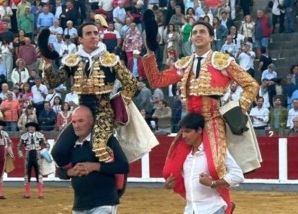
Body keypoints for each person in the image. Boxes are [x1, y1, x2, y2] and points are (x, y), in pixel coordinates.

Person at [143, 20, 259, 213]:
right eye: (194, 32)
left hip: (213, 120)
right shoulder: (185, 63)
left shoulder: (222, 61)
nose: (197, 35)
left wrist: (238, 110)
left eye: (202, 32)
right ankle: (194, 202)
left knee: (215, 168)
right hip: (190, 121)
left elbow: (251, 85)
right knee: (169, 170)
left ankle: (226, 206)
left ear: (211, 37)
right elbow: (157, 81)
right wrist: (149, 53)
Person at [41, 22, 137, 165]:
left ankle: (114, 182)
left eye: (95, 33)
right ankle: (74, 173)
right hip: (81, 113)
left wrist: (121, 104)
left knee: (99, 147)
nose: (93, 36)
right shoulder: (72, 60)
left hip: (104, 111)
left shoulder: (110, 59)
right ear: (80, 39)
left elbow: (131, 82)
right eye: (88, 33)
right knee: (58, 151)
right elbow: (52, 83)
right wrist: (47, 63)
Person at [163, 113, 244, 214]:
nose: (183, 136)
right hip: (190, 209)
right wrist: (169, 185)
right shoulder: (185, 156)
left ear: (199, 130)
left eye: (187, 131)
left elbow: (238, 176)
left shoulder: (216, 151)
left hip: (213, 208)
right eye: (182, 132)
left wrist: (213, 183)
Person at [57, 106, 129, 213]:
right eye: (74, 122)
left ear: (91, 121)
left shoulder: (107, 140)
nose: (76, 125)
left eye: (81, 121)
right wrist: (70, 172)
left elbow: (123, 166)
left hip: (104, 202)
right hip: (79, 205)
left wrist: (95, 166)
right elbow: (59, 172)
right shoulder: (71, 145)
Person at [17, 121, 49, 199]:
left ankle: (40, 193)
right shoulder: (23, 136)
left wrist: (43, 153)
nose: (30, 128)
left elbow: (47, 145)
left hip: (37, 155)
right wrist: (21, 154)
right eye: (29, 127)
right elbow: (18, 147)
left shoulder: (40, 135)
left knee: (39, 174)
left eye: (32, 126)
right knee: (27, 175)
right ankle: (27, 193)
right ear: (27, 128)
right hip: (28, 156)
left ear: (35, 128)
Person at [0, 119, 14, 199]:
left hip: (2, 153)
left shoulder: (5, 134)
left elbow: (8, 145)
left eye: (1, 126)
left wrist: (11, 153)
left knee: (0, 174)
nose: (0, 127)